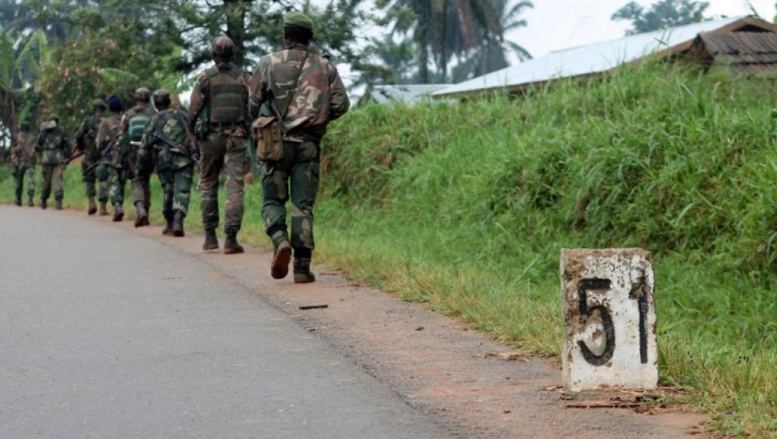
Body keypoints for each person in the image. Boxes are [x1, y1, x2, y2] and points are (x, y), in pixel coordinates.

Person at [248, 11, 350, 283]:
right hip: (308, 145)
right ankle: (302, 268)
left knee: (272, 200)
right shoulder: (325, 67)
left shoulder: (267, 63)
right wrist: (317, 117)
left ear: (285, 35)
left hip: (274, 145)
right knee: (302, 205)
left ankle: (280, 240)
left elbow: (252, 104)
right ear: (309, 38)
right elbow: (341, 105)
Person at [188, 36, 251, 254]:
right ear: (232, 54)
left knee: (208, 184)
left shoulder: (205, 77)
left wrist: (192, 134)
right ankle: (231, 239)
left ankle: (210, 236)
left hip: (211, 137)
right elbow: (252, 105)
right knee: (234, 187)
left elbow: (194, 108)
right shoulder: (244, 76)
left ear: (214, 54)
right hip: (236, 135)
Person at [136, 89, 195, 237]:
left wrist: (140, 169)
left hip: (164, 161)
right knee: (182, 191)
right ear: (168, 102)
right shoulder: (181, 115)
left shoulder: (153, 121)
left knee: (168, 191)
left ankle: (170, 222)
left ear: (155, 104)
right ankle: (177, 220)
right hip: (184, 160)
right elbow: (195, 135)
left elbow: (144, 148)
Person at [121, 87, 157, 227]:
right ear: (148, 98)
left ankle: (140, 209)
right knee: (145, 180)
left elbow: (121, 131)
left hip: (133, 150)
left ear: (136, 98)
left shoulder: (129, 114)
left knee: (136, 180)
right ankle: (145, 214)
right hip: (150, 149)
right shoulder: (154, 113)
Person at [73, 99, 108, 214]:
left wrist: (82, 146)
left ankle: (91, 202)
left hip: (89, 156)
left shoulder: (87, 121)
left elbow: (78, 136)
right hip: (104, 156)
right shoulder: (107, 121)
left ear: (94, 109)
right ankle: (103, 206)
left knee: (88, 179)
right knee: (103, 179)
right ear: (103, 109)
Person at [95, 95, 126, 221]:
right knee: (121, 183)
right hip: (125, 157)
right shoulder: (126, 122)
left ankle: (117, 206)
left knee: (113, 183)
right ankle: (119, 204)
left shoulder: (105, 123)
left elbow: (99, 143)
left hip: (110, 158)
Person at [36, 114, 71, 210]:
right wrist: (68, 157)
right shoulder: (62, 132)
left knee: (46, 180)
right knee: (58, 180)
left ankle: (43, 200)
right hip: (58, 158)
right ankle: (58, 202)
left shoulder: (43, 132)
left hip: (46, 158)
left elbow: (38, 145)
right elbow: (67, 145)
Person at [11, 123, 37, 207]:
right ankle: (30, 199)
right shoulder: (33, 138)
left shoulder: (18, 137)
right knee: (31, 181)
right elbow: (36, 149)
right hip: (30, 162)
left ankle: (18, 199)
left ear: (21, 128)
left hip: (20, 163)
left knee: (19, 182)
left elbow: (14, 151)